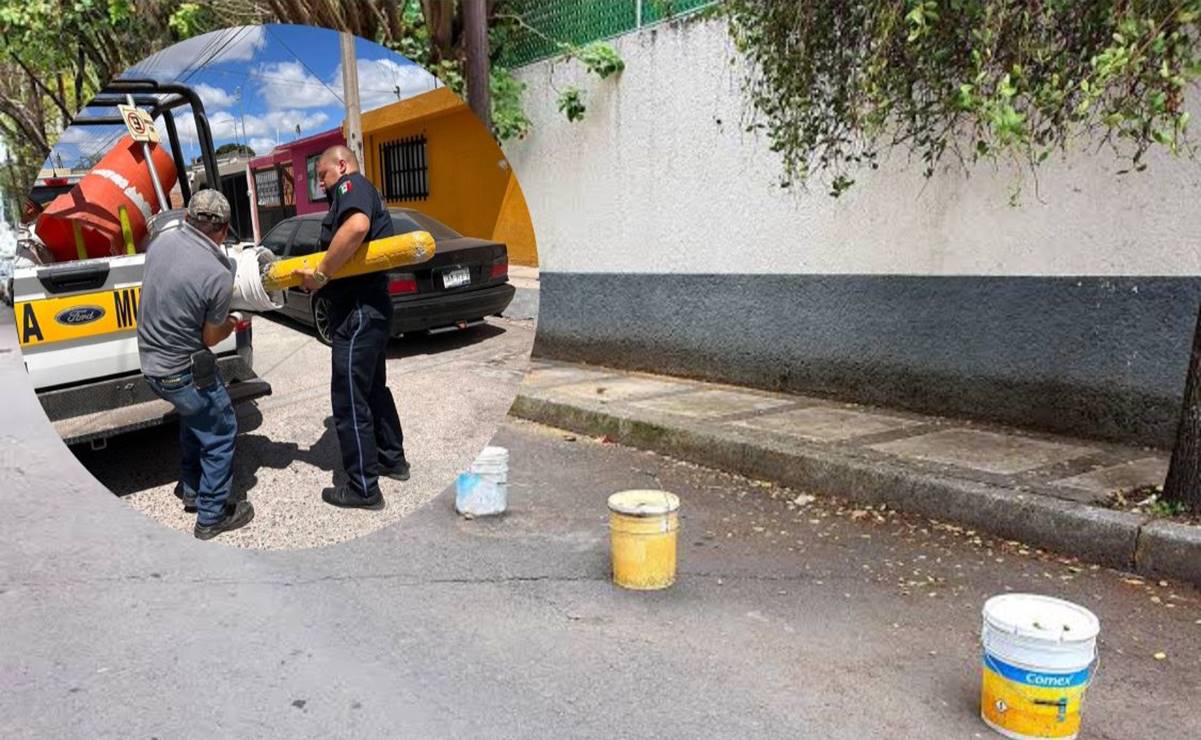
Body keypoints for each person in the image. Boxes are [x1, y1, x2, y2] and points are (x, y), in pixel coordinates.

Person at [294, 145, 409, 510]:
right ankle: (392, 459)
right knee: (374, 389)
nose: (321, 184)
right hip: (372, 309)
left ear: (341, 166)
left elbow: (357, 226)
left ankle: (363, 488)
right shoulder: (363, 190)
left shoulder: (351, 186)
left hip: (357, 312)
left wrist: (320, 275)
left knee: (349, 399)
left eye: (323, 175)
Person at [137, 189, 254, 539]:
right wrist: (231, 322)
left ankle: (191, 490)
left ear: (188, 218)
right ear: (223, 229)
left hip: (151, 364)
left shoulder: (161, 243)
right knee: (219, 432)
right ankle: (211, 516)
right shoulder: (218, 273)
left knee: (194, 420)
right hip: (182, 369)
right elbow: (210, 338)